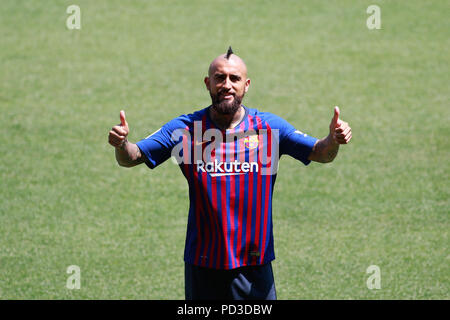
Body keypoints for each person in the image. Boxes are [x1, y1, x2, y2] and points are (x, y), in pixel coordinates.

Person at [108, 47, 352, 300]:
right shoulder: (186, 129)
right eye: (219, 78)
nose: (227, 85)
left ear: (246, 85)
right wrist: (121, 144)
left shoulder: (269, 128)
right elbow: (132, 157)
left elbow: (321, 153)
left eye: (234, 79)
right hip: (203, 263)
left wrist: (333, 140)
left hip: (254, 263)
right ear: (208, 83)